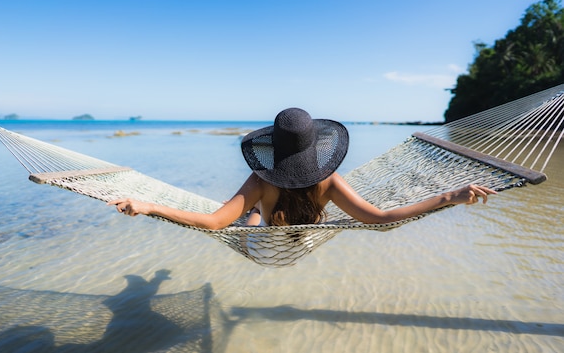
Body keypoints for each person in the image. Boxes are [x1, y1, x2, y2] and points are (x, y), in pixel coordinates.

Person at [108, 108, 496, 229]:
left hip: (267, 225)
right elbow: (380, 217)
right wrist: (450, 195)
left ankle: (256, 219)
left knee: (250, 221)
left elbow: (213, 222)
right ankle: (256, 219)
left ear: (272, 148)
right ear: (315, 146)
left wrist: (149, 205)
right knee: (257, 219)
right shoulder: (328, 182)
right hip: (302, 228)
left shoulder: (260, 180)